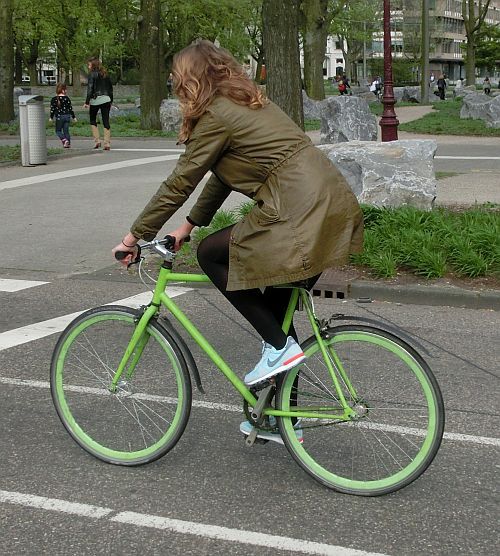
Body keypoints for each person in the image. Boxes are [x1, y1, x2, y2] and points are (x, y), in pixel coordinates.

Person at [112, 40, 363, 440]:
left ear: (190, 80)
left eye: (178, 80)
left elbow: (181, 181)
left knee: (213, 254)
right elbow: (223, 175)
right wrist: (186, 227)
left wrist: (133, 237)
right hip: (328, 203)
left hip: (298, 209)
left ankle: (278, 351)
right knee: (277, 322)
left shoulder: (217, 114)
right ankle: (284, 419)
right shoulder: (247, 103)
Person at [84, 57, 114, 151]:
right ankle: (107, 143)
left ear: (93, 65)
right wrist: (111, 100)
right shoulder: (105, 74)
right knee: (106, 120)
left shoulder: (91, 75)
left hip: (95, 100)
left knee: (93, 119)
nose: (88, 66)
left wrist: (87, 102)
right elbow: (110, 89)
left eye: (89, 64)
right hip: (106, 99)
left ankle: (97, 141)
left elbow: (90, 89)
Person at [49, 83, 77, 148]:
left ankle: (64, 140)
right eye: (66, 89)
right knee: (66, 131)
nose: (66, 91)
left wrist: (51, 117)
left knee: (58, 131)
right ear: (63, 90)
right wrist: (74, 117)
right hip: (67, 116)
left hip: (59, 117)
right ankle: (68, 144)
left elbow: (52, 109)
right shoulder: (67, 98)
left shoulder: (54, 99)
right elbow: (70, 109)